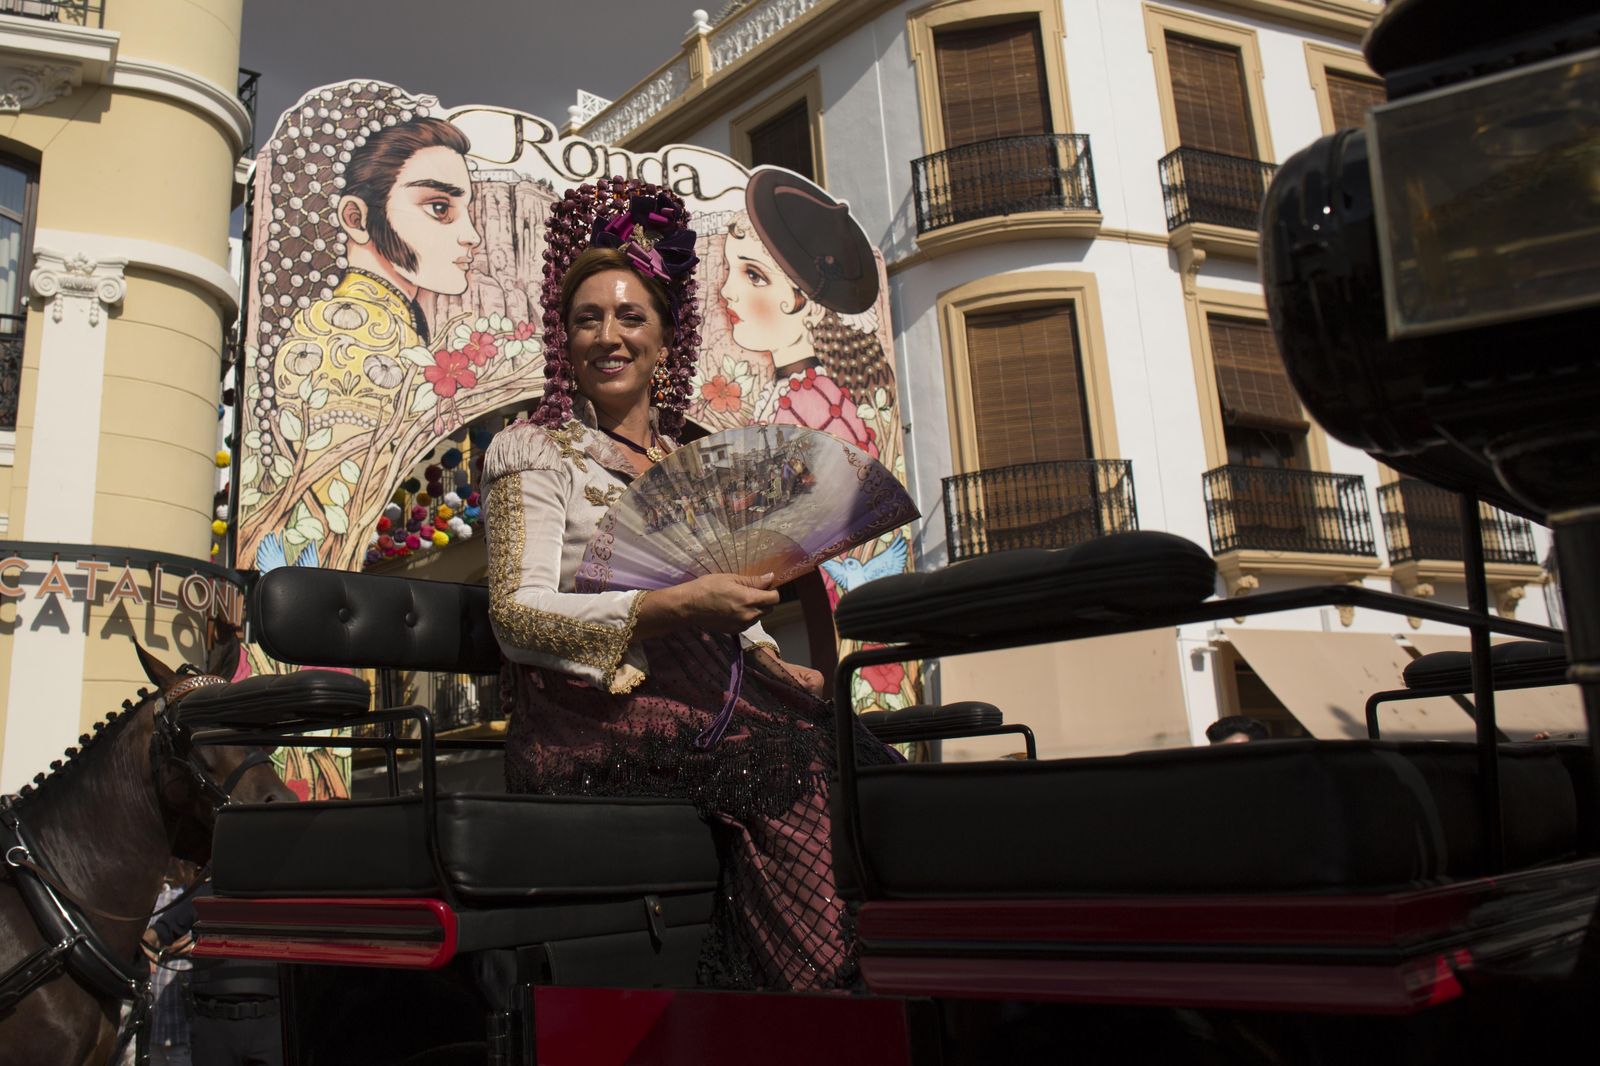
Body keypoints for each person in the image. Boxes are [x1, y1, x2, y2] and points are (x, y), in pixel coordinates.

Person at [484, 177, 900, 992]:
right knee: (790, 769)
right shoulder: (534, 452)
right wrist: (675, 608)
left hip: (711, 690)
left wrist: (774, 662)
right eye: (587, 319)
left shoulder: (684, 465)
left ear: (666, 341)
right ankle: (817, 994)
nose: (608, 335)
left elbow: (727, 611)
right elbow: (513, 616)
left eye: (630, 316)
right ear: (563, 342)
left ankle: (908, 978)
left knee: (868, 755)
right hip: (591, 712)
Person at [719, 168, 892, 455]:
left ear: (809, 308)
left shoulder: (814, 404)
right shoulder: (791, 394)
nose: (726, 291)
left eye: (753, 275)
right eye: (729, 269)